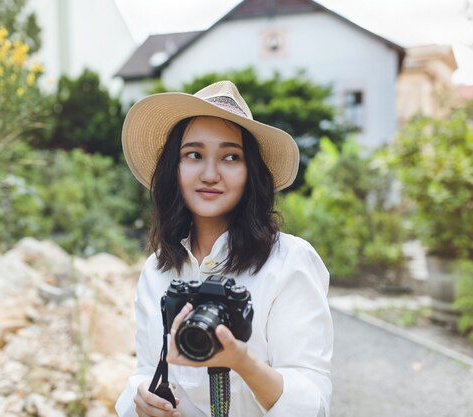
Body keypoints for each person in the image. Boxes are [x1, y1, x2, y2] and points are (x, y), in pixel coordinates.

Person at [115, 81, 333, 417]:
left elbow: (312, 401)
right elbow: (146, 369)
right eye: (194, 155)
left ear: (251, 173)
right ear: (175, 167)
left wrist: (240, 361)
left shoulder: (290, 262)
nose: (210, 173)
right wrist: (142, 398)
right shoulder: (158, 269)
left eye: (231, 156)